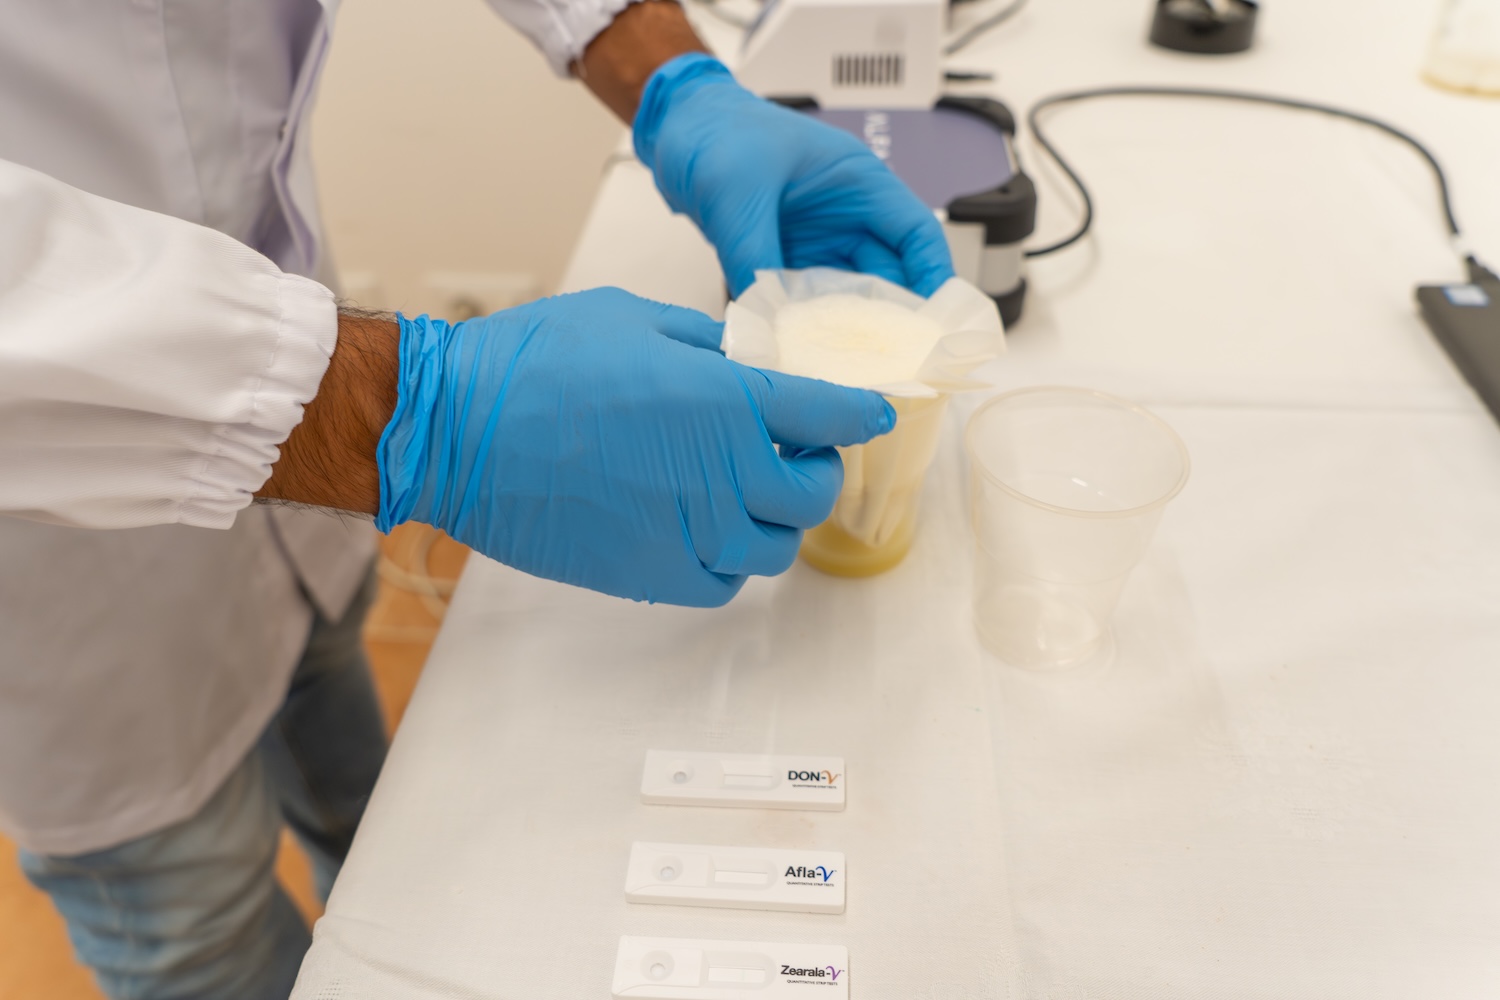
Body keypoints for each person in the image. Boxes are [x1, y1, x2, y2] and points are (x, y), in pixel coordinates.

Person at [0, 1, 953, 998]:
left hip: (287, 408)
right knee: (196, 925)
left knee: (362, 798)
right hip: (60, 555)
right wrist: (414, 409)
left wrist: (670, 76)